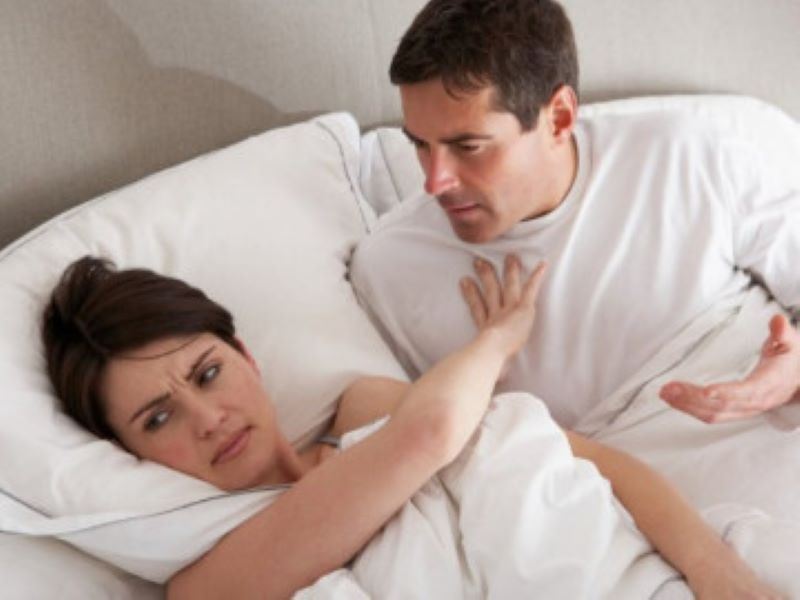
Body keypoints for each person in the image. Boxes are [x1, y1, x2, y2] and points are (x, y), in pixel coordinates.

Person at [41, 256, 781, 598]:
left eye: (207, 374)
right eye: (158, 418)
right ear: (129, 454)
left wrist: (716, 571)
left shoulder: (362, 410)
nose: (209, 419)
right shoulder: (212, 584)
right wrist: (498, 341)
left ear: (246, 357)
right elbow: (430, 433)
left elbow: (599, 465)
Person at [349, 0, 800, 430]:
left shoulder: (686, 154)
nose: (435, 182)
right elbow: (387, 445)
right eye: (420, 144)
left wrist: (791, 374)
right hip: (616, 474)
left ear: (559, 118)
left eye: (468, 147)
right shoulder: (392, 269)